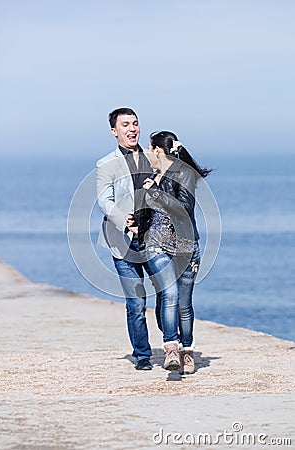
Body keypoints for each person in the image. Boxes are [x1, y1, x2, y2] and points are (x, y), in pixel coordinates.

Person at [142, 131, 212, 374]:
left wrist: (156, 193)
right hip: (156, 245)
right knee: (169, 294)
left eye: (150, 149)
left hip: (185, 246)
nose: (148, 153)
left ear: (158, 151)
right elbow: (150, 211)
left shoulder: (185, 174)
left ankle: (187, 351)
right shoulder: (150, 176)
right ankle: (170, 348)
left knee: (183, 304)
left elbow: (184, 208)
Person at [96, 107, 154, 370]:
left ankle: (171, 339)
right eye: (125, 125)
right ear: (114, 131)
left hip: (156, 239)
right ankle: (142, 355)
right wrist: (124, 219)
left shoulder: (155, 158)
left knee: (168, 293)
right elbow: (103, 200)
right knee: (136, 302)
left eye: (135, 123)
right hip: (123, 241)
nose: (132, 129)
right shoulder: (105, 164)